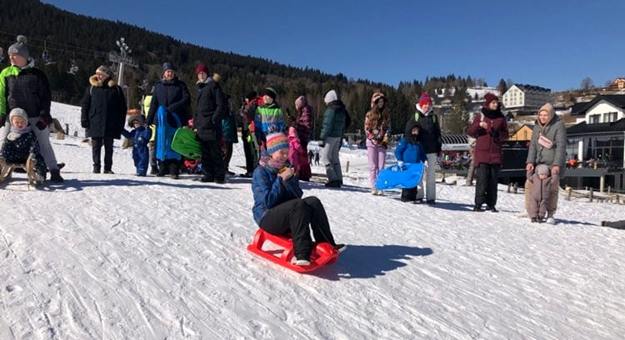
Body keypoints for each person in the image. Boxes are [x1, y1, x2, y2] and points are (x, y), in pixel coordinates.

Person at [251, 131, 345, 266]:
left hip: (287, 214)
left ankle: (327, 243)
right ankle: (301, 253)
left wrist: (289, 180)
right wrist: (280, 180)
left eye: (286, 152)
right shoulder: (261, 172)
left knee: (313, 201)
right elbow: (268, 201)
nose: (285, 156)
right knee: (297, 205)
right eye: (281, 152)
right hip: (267, 217)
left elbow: (297, 195)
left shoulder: (287, 168)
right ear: (271, 151)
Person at [0, 35, 63, 182]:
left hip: (34, 115)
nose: (11, 58)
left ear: (24, 56)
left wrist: (44, 116)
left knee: (43, 143)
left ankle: (54, 170)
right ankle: (3, 168)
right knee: (3, 140)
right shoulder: (6, 73)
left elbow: (45, 97)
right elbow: (1, 96)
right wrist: (1, 114)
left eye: (14, 55)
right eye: (10, 55)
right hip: (12, 115)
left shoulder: (37, 74)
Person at [146, 62, 191, 179]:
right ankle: (162, 167)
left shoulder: (180, 85)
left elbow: (187, 99)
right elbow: (154, 104)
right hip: (161, 119)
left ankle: (174, 169)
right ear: (164, 73)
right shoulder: (158, 86)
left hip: (175, 119)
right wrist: (148, 120)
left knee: (173, 143)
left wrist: (174, 107)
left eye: (171, 71)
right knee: (160, 143)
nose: (169, 73)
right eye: (167, 71)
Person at [524, 103, 567, 224]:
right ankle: (529, 210)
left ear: (551, 115)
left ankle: (550, 213)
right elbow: (532, 145)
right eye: (541, 115)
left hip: (552, 163)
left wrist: (557, 164)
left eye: (545, 115)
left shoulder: (559, 126)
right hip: (539, 163)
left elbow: (561, 146)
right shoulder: (536, 126)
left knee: (552, 188)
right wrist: (530, 161)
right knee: (529, 184)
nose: (543, 117)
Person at [80, 65, 127, 174]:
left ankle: (108, 168)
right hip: (95, 121)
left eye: (101, 74)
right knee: (96, 146)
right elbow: (85, 105)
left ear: (107, 75)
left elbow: (122, 108)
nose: (99, 76)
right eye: (98, 74)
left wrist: (120, 123)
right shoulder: (92, 88)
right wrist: (84, 119)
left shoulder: (116, 89)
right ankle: (96, 167)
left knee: (109, 146)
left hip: (111, 122)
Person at [466, 93, 508, 212]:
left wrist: (498, 134)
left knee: (493, 180)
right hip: (482, 153)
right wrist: (479, 125)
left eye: (496, 102)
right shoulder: (481, 116)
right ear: (488, 104)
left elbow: (506, 134)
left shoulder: (501, 118)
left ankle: (491, 204)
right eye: (493, 102)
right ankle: (478, 204)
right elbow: (471, 131)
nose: (496, 104)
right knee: (481, 180)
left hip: (495, 153)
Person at [404, 92, 441, 204]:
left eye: (429, 104)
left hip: (431, 150)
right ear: (421, 104)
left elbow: (438, 134)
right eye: (425, 104)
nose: (427, 106)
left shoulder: (433, 117)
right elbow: (408, 132)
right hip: (419, 151)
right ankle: (419, 195)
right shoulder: (415, 116)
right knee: (419, 174)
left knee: (430, 175)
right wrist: (413, 142)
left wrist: (438, 147)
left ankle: (431, 197)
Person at [193, 63, 226, 183]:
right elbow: (196, 109)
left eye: (203, 73)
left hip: (212, 126)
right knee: (204, 153)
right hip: (201, 126)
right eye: (199, 74)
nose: (201, 75)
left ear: (207, 74)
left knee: (215, 152)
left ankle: (219, 175)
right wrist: (195, 124)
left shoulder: (213, 86)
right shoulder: (200, 88)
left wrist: (214, 119)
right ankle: (208, 174)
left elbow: (221, 105)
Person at [0, 108, 46, 184]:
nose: (20, 124)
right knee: (1, 157)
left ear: (26, 121)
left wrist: (32, 154)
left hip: (28, 157)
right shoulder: (10, 134)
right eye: (17, 122)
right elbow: (6, 147)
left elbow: (34, 145)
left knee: (39, 159)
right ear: (12, 123)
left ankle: (41, 175)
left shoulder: (30, 133)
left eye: (22, 122)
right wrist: (3, 156)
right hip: (13, 157)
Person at [319, 89, 351, 188]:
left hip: (330, 136)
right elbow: (345, 124)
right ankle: (339, 178)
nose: (325, 102)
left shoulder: (331, 110)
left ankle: (333, 179)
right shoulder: (341, 110)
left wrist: (322, 138)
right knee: (335, 158)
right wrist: (341, 138)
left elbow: (327, 125)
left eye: (325, 99)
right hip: (338, 136)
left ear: (329, 99)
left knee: (325, 157)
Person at [364, 91, 391, 195]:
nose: (381, 103)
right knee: (373, 166)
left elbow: (388, 128)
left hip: (382, 144)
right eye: (379, 101)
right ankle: (373, 186)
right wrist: (375, 138)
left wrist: (385, 140)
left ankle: (380, 186)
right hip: (371, 142)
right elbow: (367, 129)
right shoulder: (369, 114)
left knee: (381, 166)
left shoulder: (386, 115)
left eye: (382, 101)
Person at [394, 123, 428, 203]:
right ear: (410, 131)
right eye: (414, 131)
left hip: (415, 166)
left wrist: (425, 160)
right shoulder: (405, 141)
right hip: (406, 165)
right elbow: (398, 151)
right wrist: (400, 160)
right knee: (407, 181)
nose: (416, 133)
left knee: (414, 181)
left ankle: (413, 197)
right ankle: (405, 197)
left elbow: (422, 153)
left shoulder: (418, 142)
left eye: (417, 131)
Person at [287, 95, 314, 181]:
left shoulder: (306, 112)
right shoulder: (304, 111)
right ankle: (303, 173)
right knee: (301, 155)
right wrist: (293, 119)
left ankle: (304, 174)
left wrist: (295, 125)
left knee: (302, 156)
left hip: (303, 136)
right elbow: (302, 122)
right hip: (302, 135)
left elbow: (306, 126)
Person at [239, 91, 263, 177]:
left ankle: (253, 169)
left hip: (250, 130)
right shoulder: (252, 104)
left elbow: (247, 114)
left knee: (251, 149)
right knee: (249, 148)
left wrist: (243, 110)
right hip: (247, 130)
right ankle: (251, 169)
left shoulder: (254, 104)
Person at [142, 86, 159, 175]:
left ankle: (153, 165)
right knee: (156, 147)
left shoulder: (146, 100)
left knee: (151, 147)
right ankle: (155, 165)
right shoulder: (155, 101)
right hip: (155, 124)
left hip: (150, 126)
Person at [221, 93, 238, 175]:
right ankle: (222, 167)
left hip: (229, 130)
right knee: (226, 151)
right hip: (225, 131)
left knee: (228, 151)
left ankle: (225, 167)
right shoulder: (223, 109)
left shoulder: (229, 109)